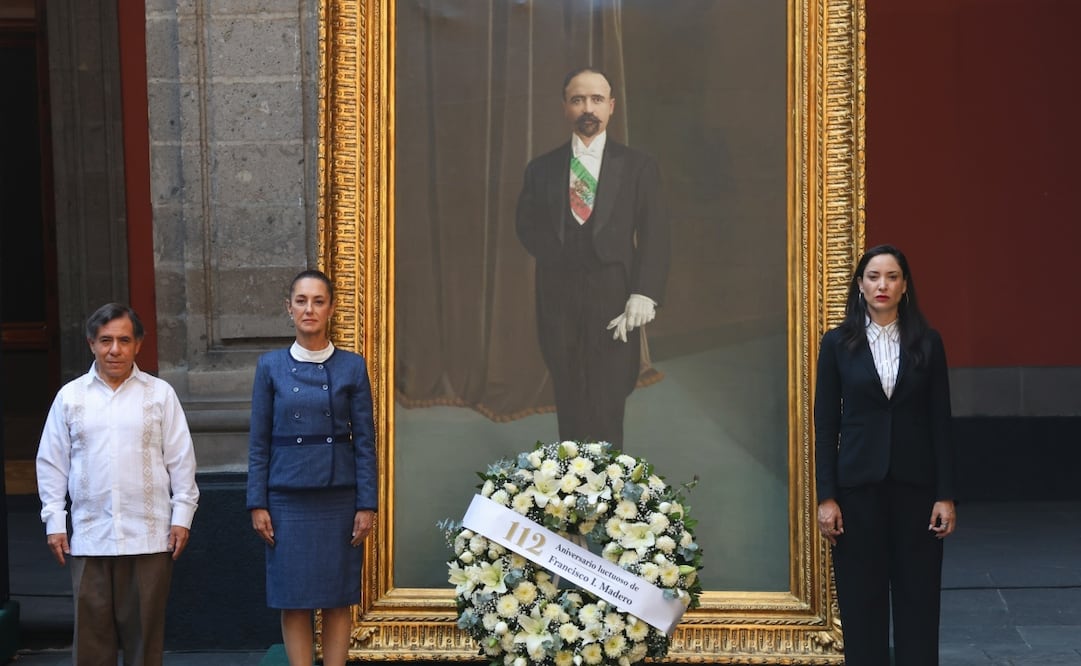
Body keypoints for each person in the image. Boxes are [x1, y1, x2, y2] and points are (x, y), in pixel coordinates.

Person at [814, 244, 957, 665]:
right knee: (862, 604)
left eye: (892, 277)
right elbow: (827, 425)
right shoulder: (838, 344)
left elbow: (941, 423)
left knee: (919, 600)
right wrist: (827, 497)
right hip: (857, 492)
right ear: (860, 285)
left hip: (918, 490)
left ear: (904, 286)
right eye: (874, 276)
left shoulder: (928, 343)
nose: (882, 285)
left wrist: (945, 494)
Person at [35, 303, 200, 666]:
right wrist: (55, 523)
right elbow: (51, 463)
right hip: (90, 539)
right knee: (92, 648)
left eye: (124, 340)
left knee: (145, 647)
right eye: (106, 340)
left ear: (137, 345)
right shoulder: (70, 398)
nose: (115, 349)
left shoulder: (159, 395)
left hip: (149, 537)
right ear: (91, 343)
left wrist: (182, 516)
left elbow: (181, 460)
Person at [515, 66, 670, 448]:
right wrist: (563, 258)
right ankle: (571, 485)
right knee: (569, 392)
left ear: (612, 106)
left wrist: (644, 292)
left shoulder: (638, 167)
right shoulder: (542, 169)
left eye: (597, 99)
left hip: (614, 297)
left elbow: (656, 234)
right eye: (578, 99)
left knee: (607, 395)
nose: (588, 108)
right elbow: (527, 225)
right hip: (558, 296)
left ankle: (609, 492)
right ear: (565, 107)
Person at [246, 269, 377, 666]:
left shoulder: (352, 367)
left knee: (338, 597)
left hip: (338, 496)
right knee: (294, 598)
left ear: (331, 309)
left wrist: (366, 504)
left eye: (318, 301)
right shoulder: (270, 366)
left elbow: (366, 443)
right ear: (289, 308)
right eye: (301, 301)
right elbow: (258, 441)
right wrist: (257, 502)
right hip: (286, 497)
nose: (309, 309)